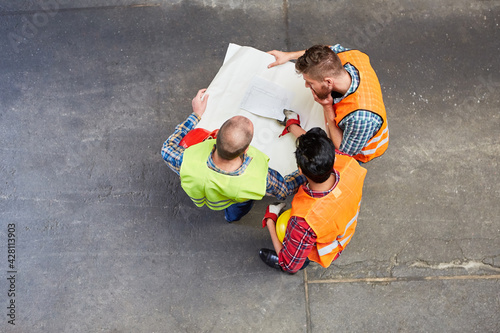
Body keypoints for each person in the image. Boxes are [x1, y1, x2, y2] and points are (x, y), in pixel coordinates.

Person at [162, 88, 306, 222]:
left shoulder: (185, 160)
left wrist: (196, 114)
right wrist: (307, 169)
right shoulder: (261, 178)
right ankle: (230, 218)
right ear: (246, 149)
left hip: (204, 196)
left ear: (216, 134)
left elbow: (167, 149)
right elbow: (285, 188)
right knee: (237, 209)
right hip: (236, 199)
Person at [259, 127, 367, 273]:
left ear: (300, 170)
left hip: (324, 249)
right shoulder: (349, 163)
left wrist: (271, 219)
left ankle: (296, 259)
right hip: (342, 228)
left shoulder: (304, 222)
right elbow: (323, 151)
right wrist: (294, 128)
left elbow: (290, 266)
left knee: (292, 261)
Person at [268, 44, 389, 163]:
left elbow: (342, 151)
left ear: (329, 82)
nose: (306, 86)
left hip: (360, 150)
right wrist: (289, 56)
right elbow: (326, 52)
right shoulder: (352, 56)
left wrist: (327, 107)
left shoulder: (361, 118)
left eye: (310, 83)